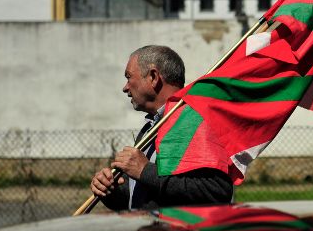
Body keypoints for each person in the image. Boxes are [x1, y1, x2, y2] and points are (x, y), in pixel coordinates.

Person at [90, 45, 233, 211]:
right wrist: (111, 192)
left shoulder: (193, 121)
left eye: (129, 77)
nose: (125, 88)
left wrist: (144, 170)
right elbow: (143, 199)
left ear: (153, 77)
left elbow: (216, 191)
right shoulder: (150, 128)